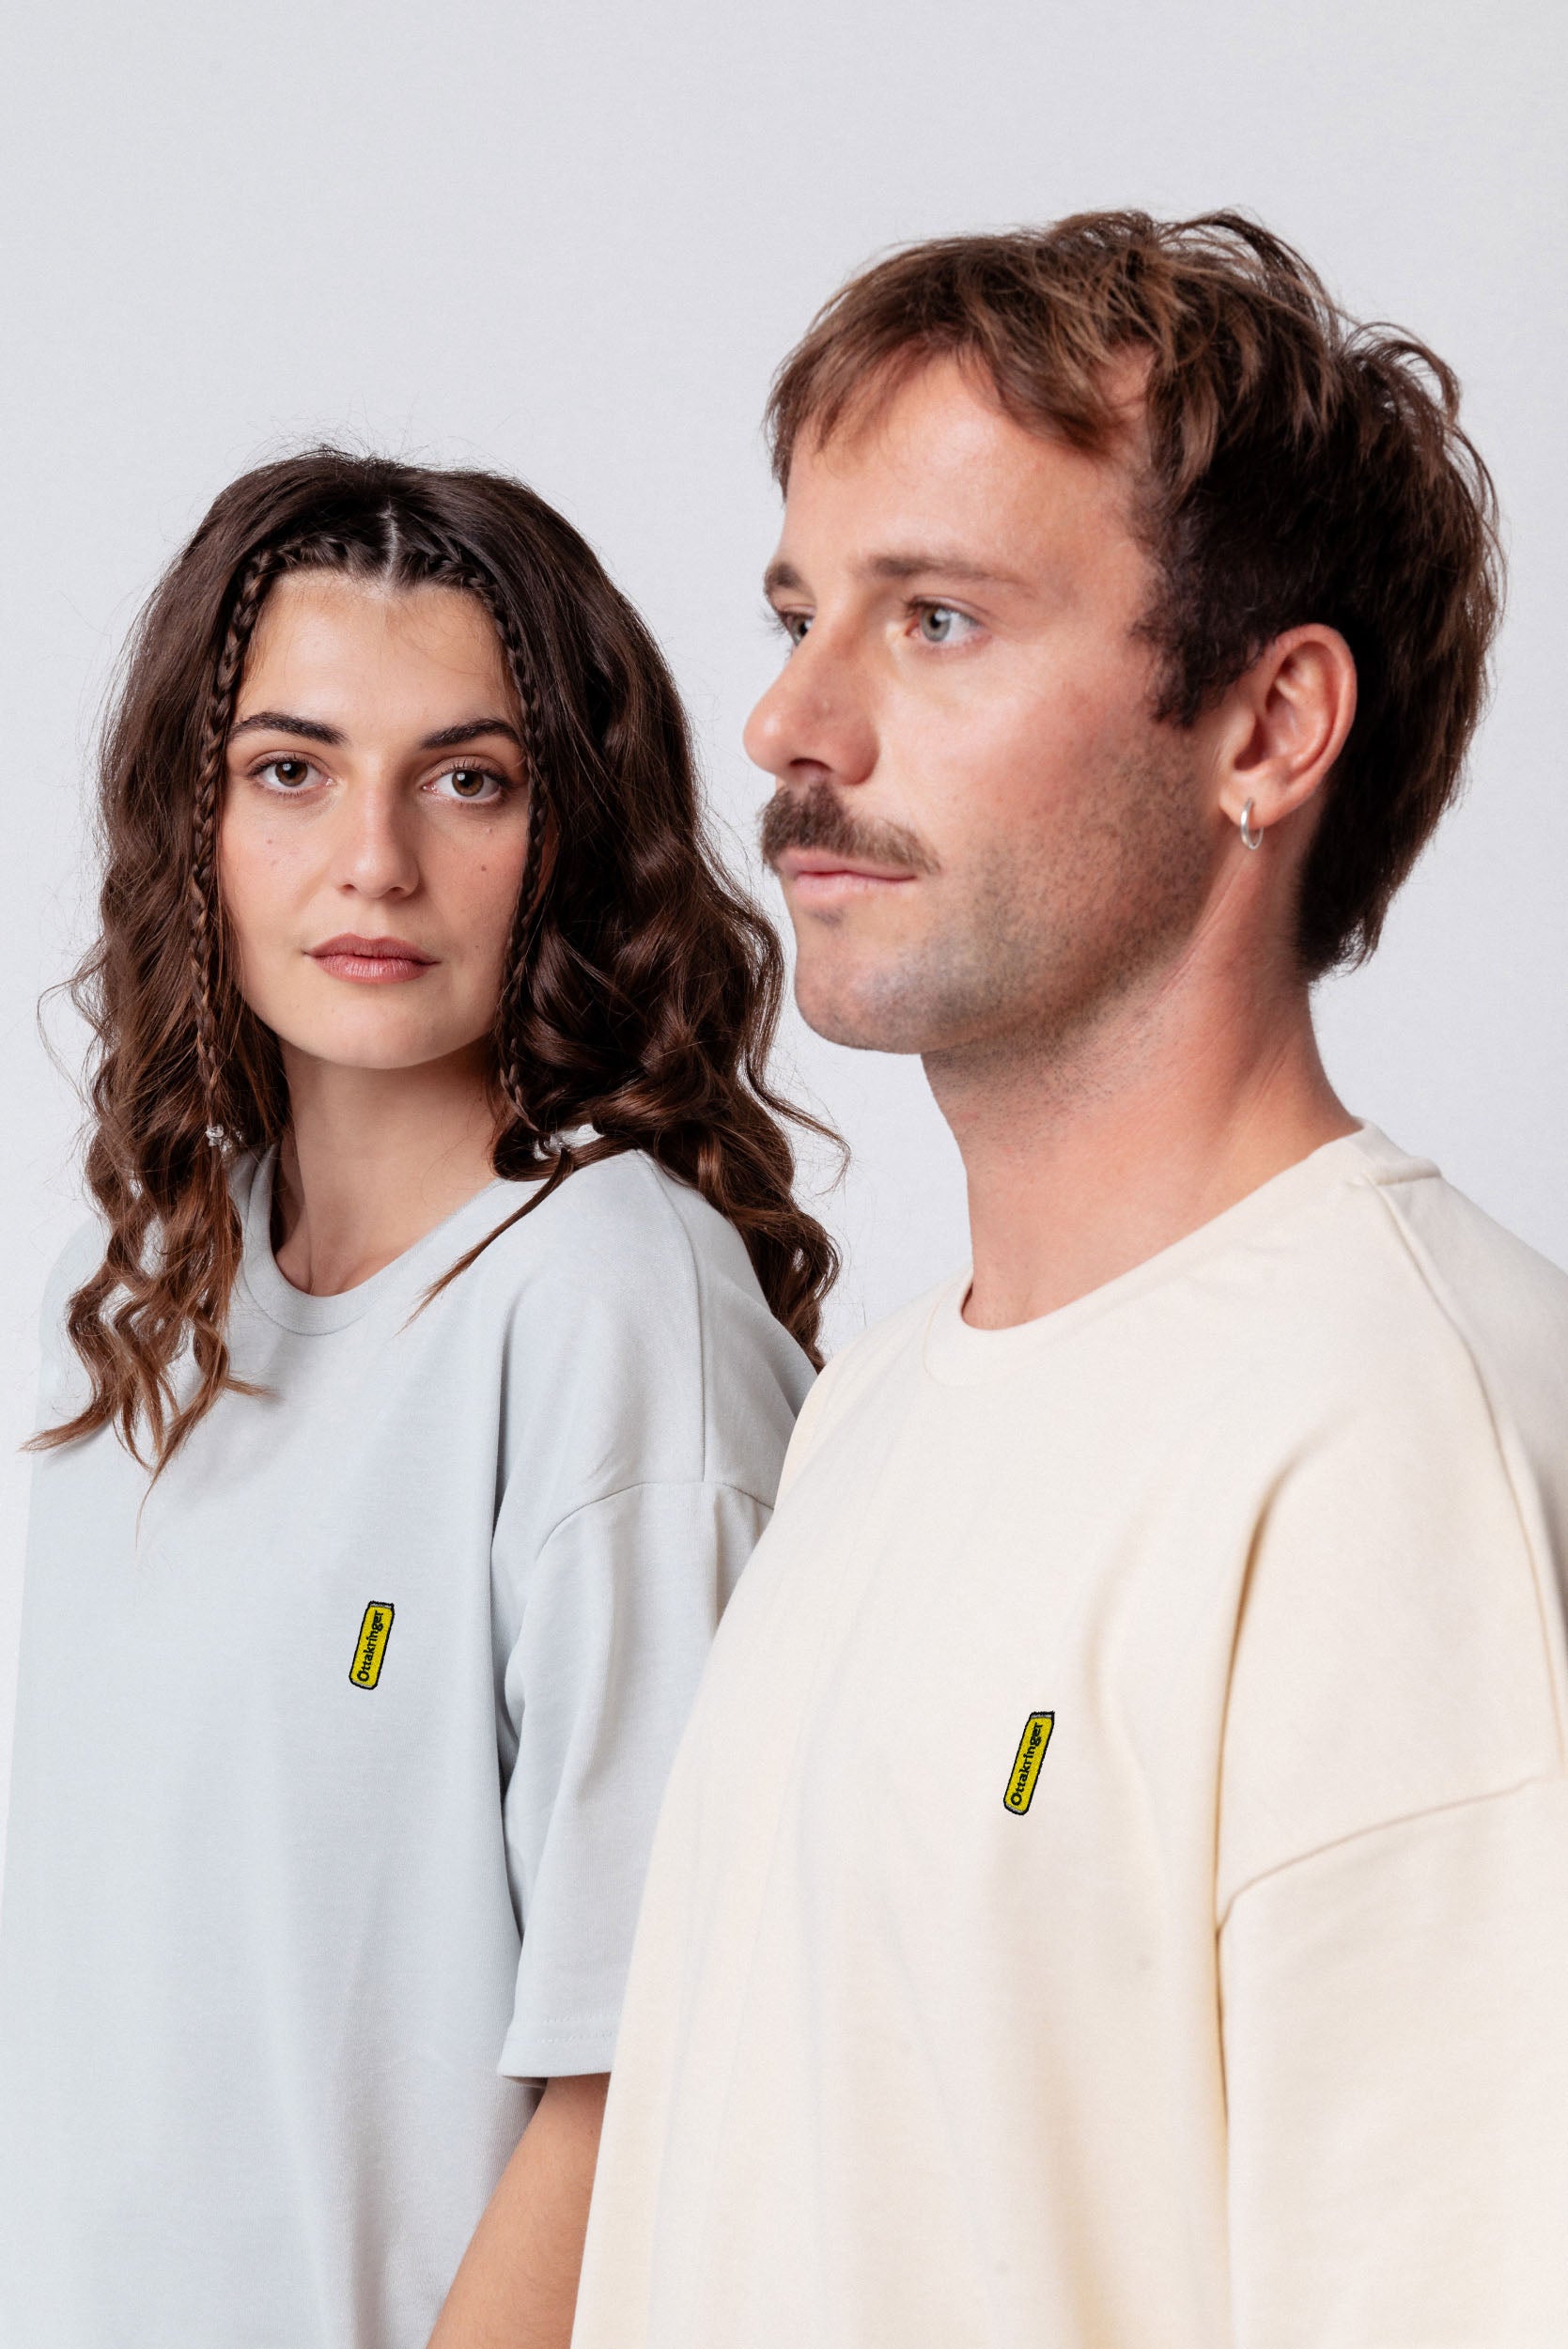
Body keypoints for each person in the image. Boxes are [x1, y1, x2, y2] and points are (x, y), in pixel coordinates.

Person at [571, 213, 1568, 2348]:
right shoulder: (873, 1412)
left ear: (1267, 726)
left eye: (935, 618)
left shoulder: (1402, 1440)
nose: (788, 718)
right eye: (799, 612)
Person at [0, 450, 832, 2349]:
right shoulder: (130, 1296)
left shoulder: (613, 1300)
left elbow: (650, 2065)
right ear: (196, 815)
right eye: (291, 769)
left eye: (468, 780)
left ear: (570, 833)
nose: (373, 859)